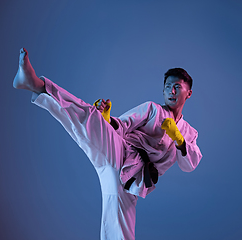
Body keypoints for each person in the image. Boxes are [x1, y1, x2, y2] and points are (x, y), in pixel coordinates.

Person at [13, 48, 203, 240]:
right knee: (91, 117)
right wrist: (107, 119)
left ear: (189, 93)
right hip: (120, 152)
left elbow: (189, 164)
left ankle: (37, 86)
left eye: (177, 87)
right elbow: (123, 125)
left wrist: (179, 139)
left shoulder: (189, 133)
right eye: (168, 86)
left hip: (133, 180)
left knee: (120, 226)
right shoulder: (152, 109)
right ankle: (36, 84)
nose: (171, 91)